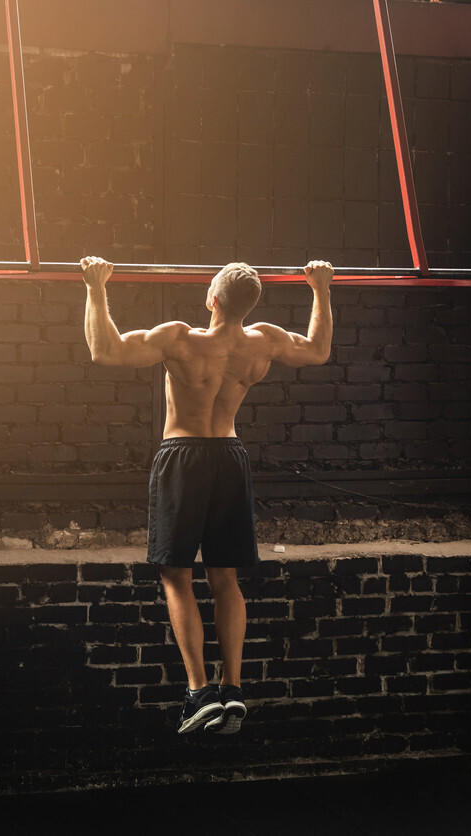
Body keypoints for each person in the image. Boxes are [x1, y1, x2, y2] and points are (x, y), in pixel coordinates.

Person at [81, 255, 334, 734]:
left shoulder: (180, 338)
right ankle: (233, 689)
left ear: (210, 299)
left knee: (176, 577)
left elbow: (105, 351)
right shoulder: (265, 341)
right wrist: (320, 289)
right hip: (230, 456)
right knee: (225, 578)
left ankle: (199, 693)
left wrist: (96, 286)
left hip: (183, 455)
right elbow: (318, 349)